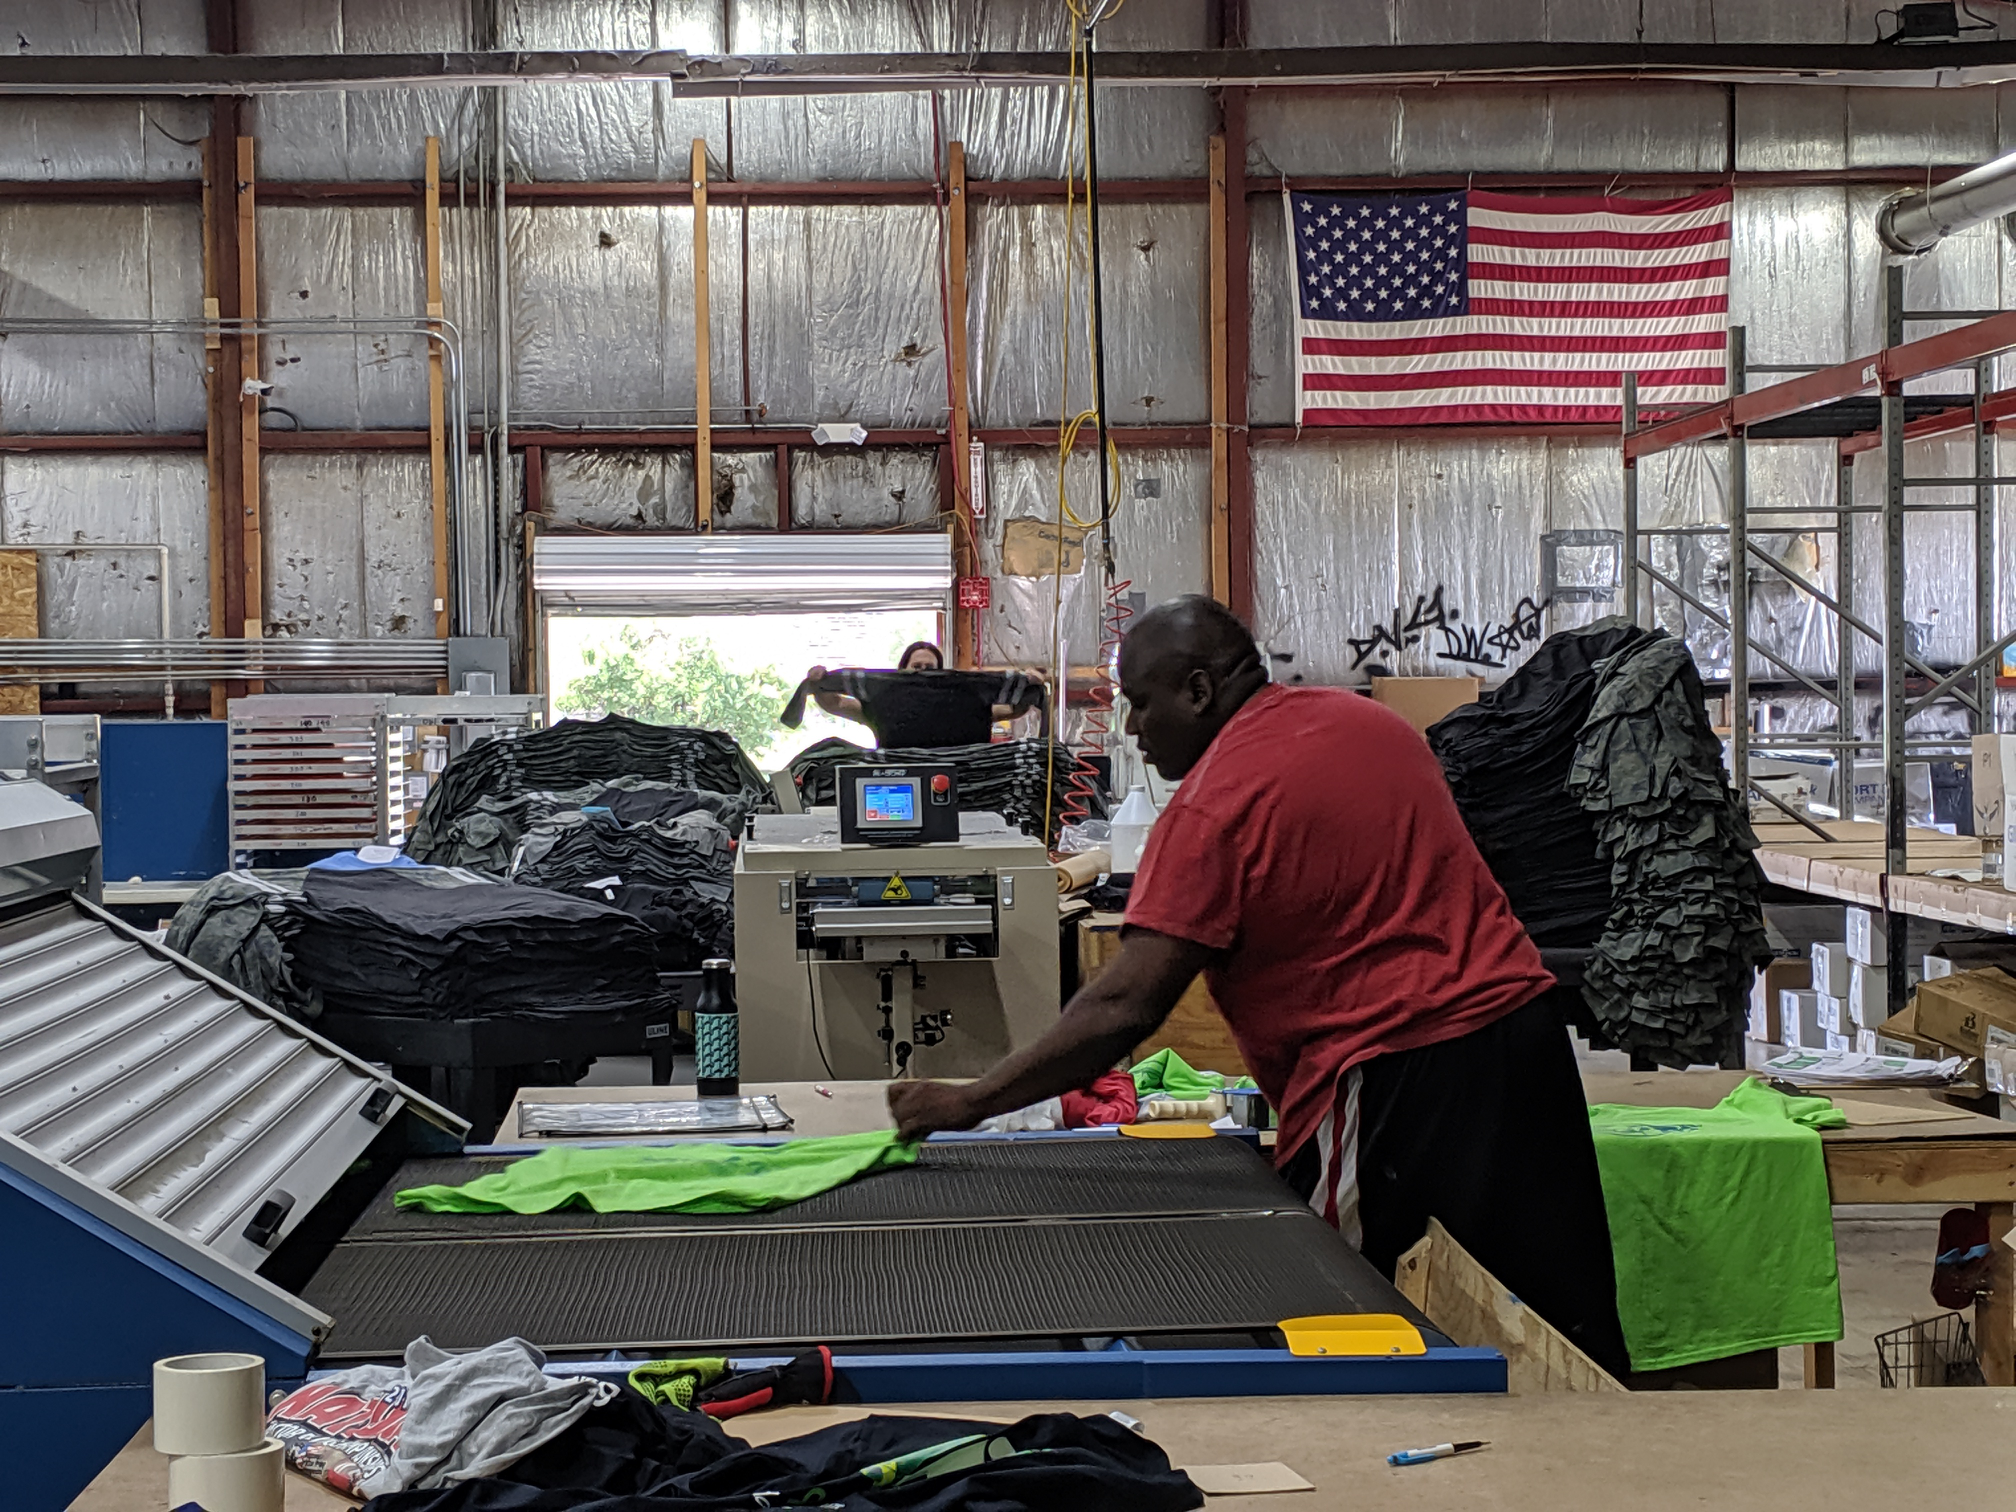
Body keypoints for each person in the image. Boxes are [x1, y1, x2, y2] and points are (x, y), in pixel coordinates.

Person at [887, 595, 1631, 1378]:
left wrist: (968, 1101)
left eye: (1141, 704)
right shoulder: (1368, 726)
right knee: (1558, 1318)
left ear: (1200, 692)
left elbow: (1123, 1006)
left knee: (1357, 1321)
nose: (1133, 730)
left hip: (1394, 1078)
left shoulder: (1216, 807)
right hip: (1526, 1042)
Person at [793, 642, 1041, 750]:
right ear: (902, 670)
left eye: (931, 670)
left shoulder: (963, 699)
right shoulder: (883, 702)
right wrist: (819, 683)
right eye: (917, 668)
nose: (923, 674)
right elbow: (834, 703)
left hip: (962, 783)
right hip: (901, 787)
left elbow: (1013, 710)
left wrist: (1029, 685)